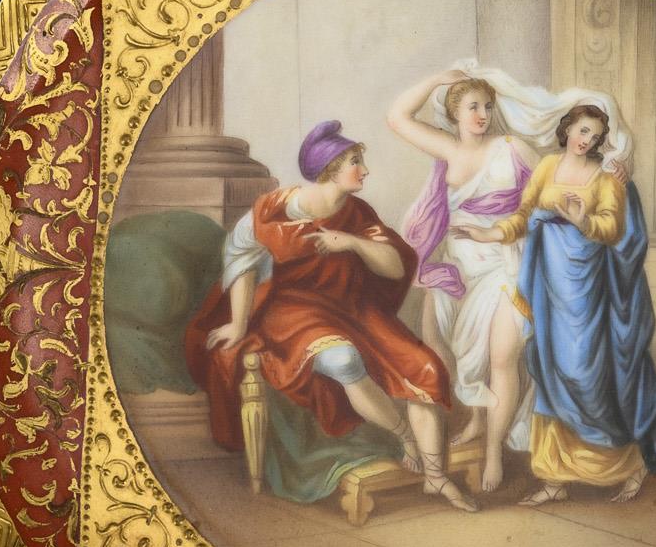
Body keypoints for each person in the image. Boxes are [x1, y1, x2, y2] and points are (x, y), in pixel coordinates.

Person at [183, 120, 478, 511]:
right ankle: (405, 436)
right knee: (342, 359)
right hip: (294, 313)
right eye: (356, 162)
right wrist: (238, 323)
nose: (365, 170)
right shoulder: (275, 209)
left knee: (424, 368)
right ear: (329, 169)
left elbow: (394, 265)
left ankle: (436, 478)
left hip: (351, 309)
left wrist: (351, 243)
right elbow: (241, 257)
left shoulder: (358, 214)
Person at [461, 101, 656, 505]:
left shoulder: (606, 180)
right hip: (549, 289)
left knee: (585, 378)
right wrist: (487, 234)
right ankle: (555, 479)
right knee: (551, 375)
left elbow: (611, 229)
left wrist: (582, 219)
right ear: (567, 129)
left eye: (595, 136)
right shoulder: (547, 167)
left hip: (585, 293)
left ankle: (629, 466)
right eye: (582, 130)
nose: (586, 140)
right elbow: (523, 216)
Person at [389, 68, 536, 493]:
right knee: (443, 351)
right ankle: (475, 420)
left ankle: (494, 454)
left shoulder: (512, 148)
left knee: (502, 358)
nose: (482, 115)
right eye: (472, 107)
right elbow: (397, 117)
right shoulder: (448, 149)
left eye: (487, 106)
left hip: (505, 264)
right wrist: (434, 79)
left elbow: (549, 188)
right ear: (454, 113)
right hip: (457, 269)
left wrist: (502, 230)